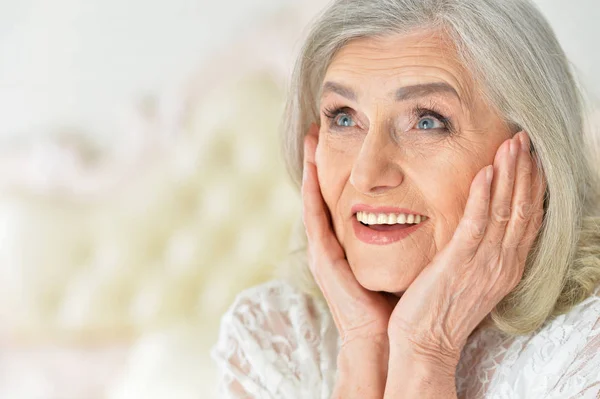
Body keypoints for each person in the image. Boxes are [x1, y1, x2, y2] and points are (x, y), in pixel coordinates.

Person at [211, 0, 600, 397]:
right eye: (344, 118)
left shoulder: (587, 350)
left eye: (428, 121)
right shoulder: (273, 336)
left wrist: (426, 350)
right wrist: (363, 345)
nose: (366, 174)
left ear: (533, 156)